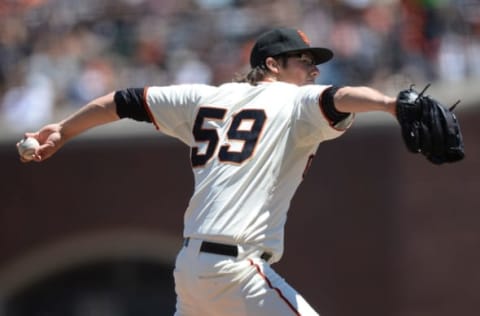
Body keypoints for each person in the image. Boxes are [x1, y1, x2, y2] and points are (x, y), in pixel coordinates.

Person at [18, 28, 397, 315]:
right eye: (303, 60)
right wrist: (391, 104)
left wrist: (63, 130)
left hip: (190, 269)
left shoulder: (203, 98)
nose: (314, 70)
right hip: (237, 269)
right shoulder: (292, 98)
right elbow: (339, 98)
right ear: (271, 65)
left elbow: (124, 101)